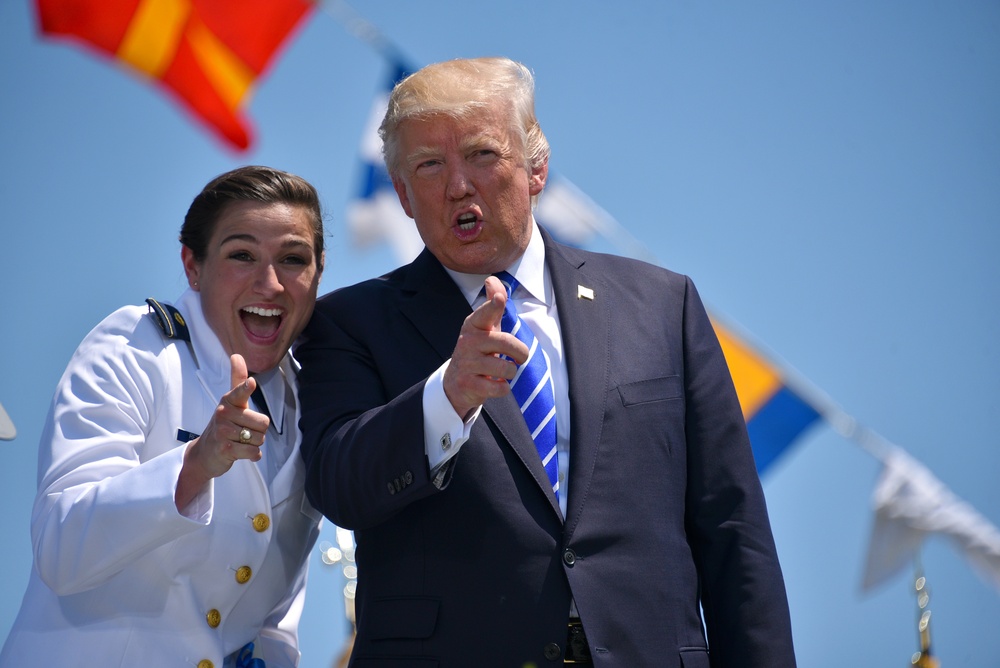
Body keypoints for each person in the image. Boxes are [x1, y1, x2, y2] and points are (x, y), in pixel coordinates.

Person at [296, 57, 796, 667]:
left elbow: (732, 531)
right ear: (401, 194)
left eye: (482, 154)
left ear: (537, 168)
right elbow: (338, 486)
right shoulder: (348, 323)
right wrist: (445, 399)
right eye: (430, 165)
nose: (458, 185)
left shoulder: (663, 306)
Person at [0, 166, 326, 668]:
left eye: (293, 259)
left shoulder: (311, 400)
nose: (270, 283)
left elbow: (272, 624)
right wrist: (194, 464)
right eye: (242, 255)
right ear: (193, 267)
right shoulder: (134, 347)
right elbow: (61, 548)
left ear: (318, 272)